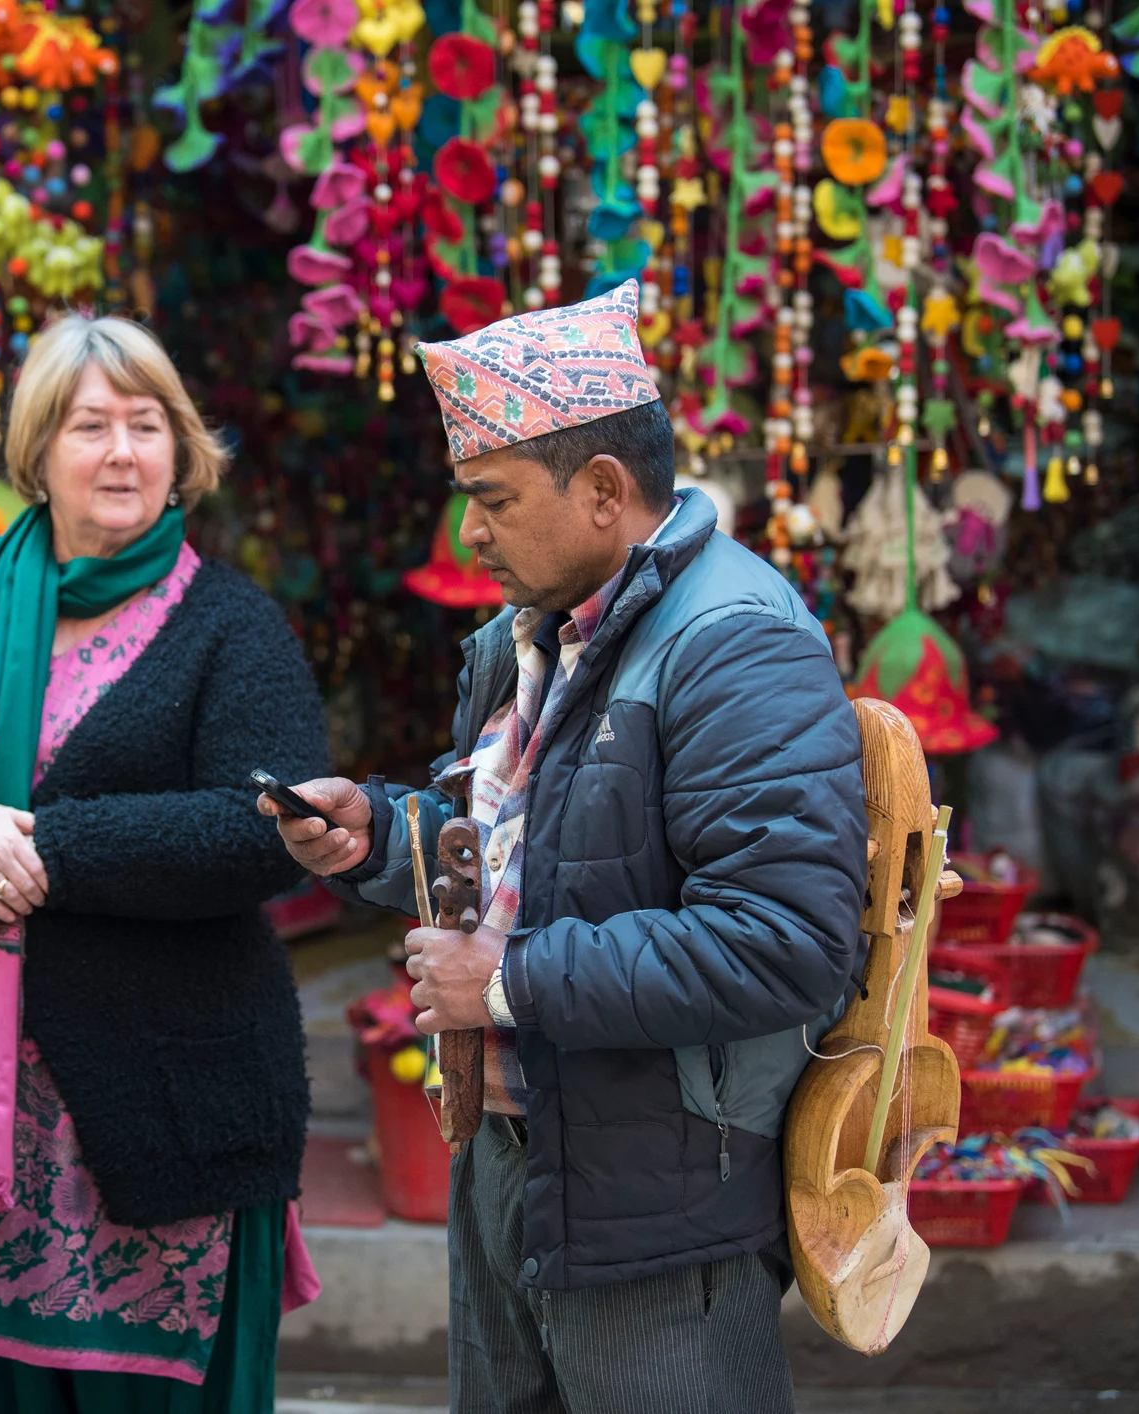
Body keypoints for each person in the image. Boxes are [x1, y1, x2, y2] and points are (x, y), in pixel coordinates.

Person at [265, 280, 869, 1414]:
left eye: (490, 499)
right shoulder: (532, 633)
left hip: (660, 1200)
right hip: (517, 1156)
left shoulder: (734, 645)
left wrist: (502, 981)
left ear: (602, 489)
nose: (470, 534)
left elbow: (786, 944)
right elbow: (532, 859)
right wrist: (374, 841)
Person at [0, 314, 328, 1413]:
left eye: (147, 425)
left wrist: (35, 847)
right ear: (39, 448)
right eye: (92, 426)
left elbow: (259, 826)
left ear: (183, 451)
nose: (123, 452)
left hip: (165, 1108)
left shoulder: (232, 626)